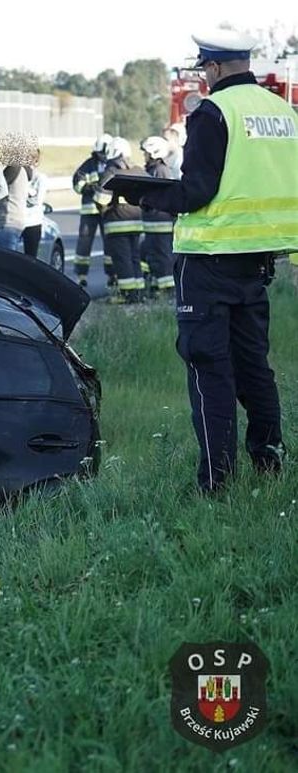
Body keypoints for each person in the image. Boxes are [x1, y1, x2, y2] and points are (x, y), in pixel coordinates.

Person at [136, 30, 295, 493]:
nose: (204, 77)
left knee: (210, 370)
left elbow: (197, 191)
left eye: (204, 68)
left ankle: (217, 483)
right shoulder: (283, 113)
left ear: (216, 67)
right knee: (255, 370)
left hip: (208, 261)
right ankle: (270, 467)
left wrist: (139, 192)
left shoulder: (213, 113)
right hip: (258, 263)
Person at [98, 138, 146, 303]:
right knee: (134, 257)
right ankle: (139, 292)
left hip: (116, 222)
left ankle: (127, 295)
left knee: (122, 259)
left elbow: (102, 199)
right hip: (137, 221)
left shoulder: (111, 171)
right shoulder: (138, 170)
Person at [72, 133, 114, 287]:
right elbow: (77, 184)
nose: (104, 156)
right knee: (84, 243)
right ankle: (81, 275)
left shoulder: (112, 165)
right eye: (101, 153)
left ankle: (112, 274)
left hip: (107, 210)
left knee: (110, 243)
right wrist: (91, 187)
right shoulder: (88, 166)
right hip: (90, 211)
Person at [138, 135, 176, 298]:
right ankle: (155, 283)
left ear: (154, 153)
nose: (144, 156)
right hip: (153, 222)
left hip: (160, 222)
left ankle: (167, 289)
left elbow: (165, 196)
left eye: (146, 153)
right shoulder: (154, 170)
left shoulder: (160, 171)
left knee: (163, 256)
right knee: (149, 254)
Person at [0, 161, 28, 251]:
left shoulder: (13, 169)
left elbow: (0, 189)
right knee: (12, 258)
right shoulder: (22, 170)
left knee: (5, 259)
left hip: (8, 220)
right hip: (17, 219)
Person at [22, 147, 48, 257]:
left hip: (33, 222)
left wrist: (26, 193)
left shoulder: (40, 178)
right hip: (18, 222)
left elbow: (38, 200)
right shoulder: (18, 177)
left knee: (31, 257)